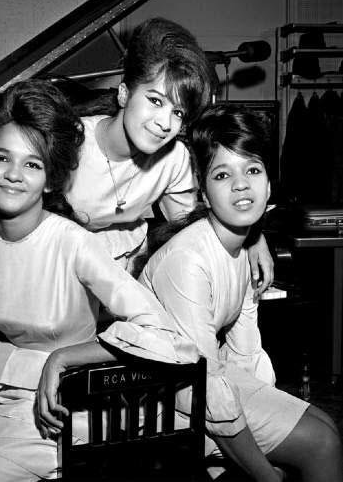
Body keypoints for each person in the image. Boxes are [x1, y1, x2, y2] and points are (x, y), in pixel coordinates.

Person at [0, 80, 198, 482]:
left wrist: (63, 358)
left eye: (32, 164)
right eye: (1, 158)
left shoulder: (75, 244)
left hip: (62, 414)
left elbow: (165, 334)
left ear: (51, 179)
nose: (13, 176)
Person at [0, 17, 274, 297]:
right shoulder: (72, 141)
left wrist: (251, 238)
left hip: (130, 280)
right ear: (123, 93)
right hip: (58, 276)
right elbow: (15, 187)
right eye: (155, 100)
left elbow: (192, 229)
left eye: (178, 111)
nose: (165, 123)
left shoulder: (174, 160)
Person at [138, 104, 343, 481]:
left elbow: (246, 354)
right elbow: (199, 389)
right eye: (222, 174)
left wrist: (273, 415)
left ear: (268, 184)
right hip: (162, 406)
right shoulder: (186, 260)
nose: (241, 185)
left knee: (324, 426)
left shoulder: (245, 247)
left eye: (252, 170)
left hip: (212, 383)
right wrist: (265, 474)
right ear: (202, 191)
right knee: (321, 444)